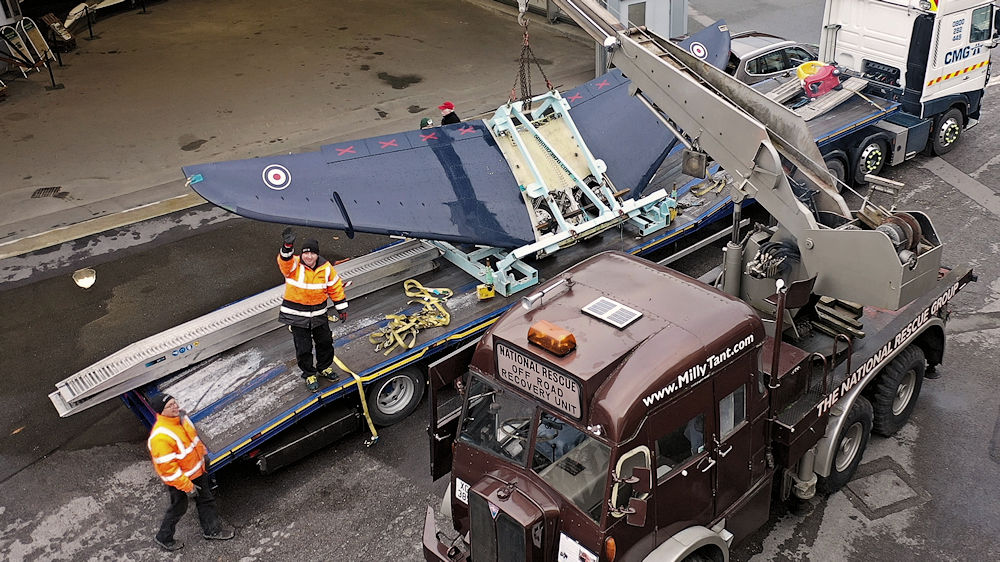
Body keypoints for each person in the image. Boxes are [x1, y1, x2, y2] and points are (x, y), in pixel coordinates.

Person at [148, 394, 234, 551]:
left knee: (205, 501)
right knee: (178, 508)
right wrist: (188, 486)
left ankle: (212, 531)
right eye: (170, 406)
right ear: (161, 412)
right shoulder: (160, 437)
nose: (175, 407)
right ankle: (164, 537)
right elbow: (169, 470)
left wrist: (203, 456)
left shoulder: (181, 418)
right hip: (183, 480)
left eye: (174, 403)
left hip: (197, 472)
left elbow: (194, 440)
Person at [278, 228, 348, 391]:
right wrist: (287, 246)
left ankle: (324, 368)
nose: (308, 256)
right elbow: (284, 261)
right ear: (302, 254)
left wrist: (341, 307)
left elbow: (335, 287)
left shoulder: (326, 268)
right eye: (305, 253)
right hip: (297, 317)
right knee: (303, 347)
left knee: (325, 342)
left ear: (317, 254)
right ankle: (309, 374)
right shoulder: (294, 264)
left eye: (312, 253)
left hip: (318, 315)